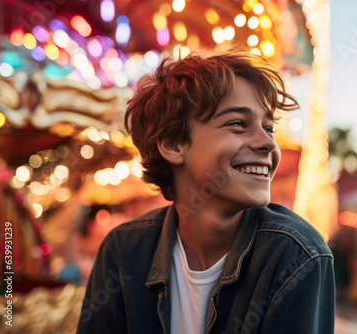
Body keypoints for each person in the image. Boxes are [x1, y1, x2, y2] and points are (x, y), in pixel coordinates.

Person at [77, 47, 335, 334]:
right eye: (238, 124)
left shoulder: (295, 255)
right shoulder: (123, 250)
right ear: (173, 144)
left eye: (268, 128)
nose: (268, 144)